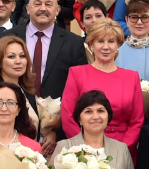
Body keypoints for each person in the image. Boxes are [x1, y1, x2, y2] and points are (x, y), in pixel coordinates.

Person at [61, 20, 144, 157]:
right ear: (91, 44)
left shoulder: (132, 77)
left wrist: (121, 149)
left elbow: (137, 121)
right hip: (84, 152)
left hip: (122, 150)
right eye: (100, 41)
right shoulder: (77, 73)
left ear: (118, 45)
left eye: (111, 41)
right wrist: (85, 149)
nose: (106, 47)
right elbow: (67, 116)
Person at [8, 0, 90, 117]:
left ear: (57, 10)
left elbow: (79, 87)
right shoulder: (8, 38)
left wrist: (55, 127)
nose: (43, 8)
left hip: (57, 120)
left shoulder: (74, 43)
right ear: (28, 9)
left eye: (48, 4)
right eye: (37, 4)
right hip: (14, 116)